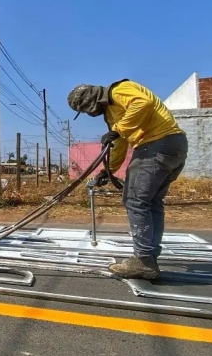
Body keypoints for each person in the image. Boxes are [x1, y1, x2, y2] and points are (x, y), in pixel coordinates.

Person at [67, 79, 188, 280]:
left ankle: (144, 260)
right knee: (151, 202)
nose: (89, 114)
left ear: (90, 102)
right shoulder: (112, 112)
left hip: (156, 144)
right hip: (172, 145)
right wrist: (108, 170)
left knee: (135, 201)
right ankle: (149, 256)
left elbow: (143, 104)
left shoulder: (119, 90)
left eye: (86, 110)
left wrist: (117, 129)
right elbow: (120, 143)